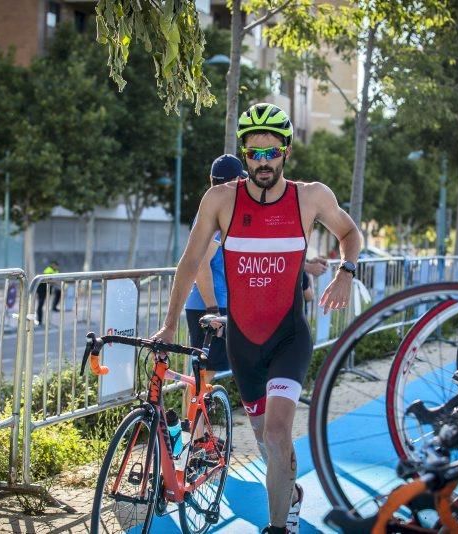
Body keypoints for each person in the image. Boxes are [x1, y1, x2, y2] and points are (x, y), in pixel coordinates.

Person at [152, 103, 361, 534]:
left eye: (271, 153)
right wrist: (170, 324)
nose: (263, 163)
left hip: (288, 338)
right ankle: (290, 492)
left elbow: (349, 232)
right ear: (244, 155)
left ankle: (278, 527)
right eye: (254, 154)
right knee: (268, 441)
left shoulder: (310, 196)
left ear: (285, 151)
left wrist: (346, 271)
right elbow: (190, 262)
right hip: (242, 344)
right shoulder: (221, 199)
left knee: (279, 431)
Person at [183, 154, 245, 404]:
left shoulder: (213, 210)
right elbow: (200, 265)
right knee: (204, 372)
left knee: (203, 372)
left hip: (210, 303)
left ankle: (195, 431)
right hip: (209, 304)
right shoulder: (215, 214)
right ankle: (195, 435)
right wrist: (213, 309)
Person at [36, 260, 59, 325]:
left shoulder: (56, 271)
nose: (56, 267)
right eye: (55, 265)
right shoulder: (48, 270)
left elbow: (56, 280)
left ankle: (44, 321)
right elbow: (47, 279)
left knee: (45, 304)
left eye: (57, 266)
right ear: (52, 265)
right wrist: (55, 282)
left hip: (48, 289)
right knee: (40, 304)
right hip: (42, 289)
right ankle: (39, 320)